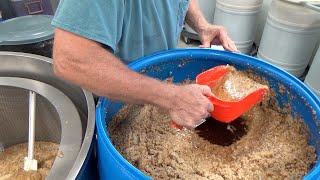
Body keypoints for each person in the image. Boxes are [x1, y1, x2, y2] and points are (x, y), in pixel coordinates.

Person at [51, 0, 239, 129]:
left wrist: (202, 26)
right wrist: (173, 98)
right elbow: (70, 59)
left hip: (164, 83)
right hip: (117, 97)